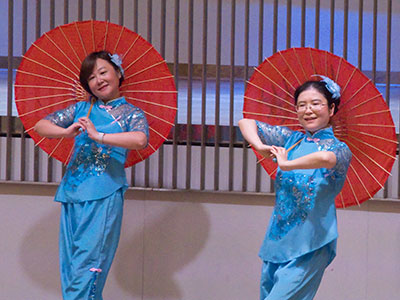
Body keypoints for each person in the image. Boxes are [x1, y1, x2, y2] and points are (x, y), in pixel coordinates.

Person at [34, 50, 149, 299]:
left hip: (103, 194)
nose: (98, 80)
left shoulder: (131, 114)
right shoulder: (81, 109)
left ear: (118, 73)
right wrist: (66, 132)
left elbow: (140, 139)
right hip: (72, 192)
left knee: (89, 268)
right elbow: (40, 125)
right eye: (91, 77)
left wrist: (99, 136)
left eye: (103, 72)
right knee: (72, 269)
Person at [238, 76, 352, 300]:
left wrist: (287, 163)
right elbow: (246, 123)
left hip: (310, 244)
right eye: (301, 105)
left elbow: (326, 159)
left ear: (331, 108)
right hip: (277, 241)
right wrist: (260, 145)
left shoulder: (340, 148)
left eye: (316, 103)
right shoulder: (291, 140)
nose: (308, 110)